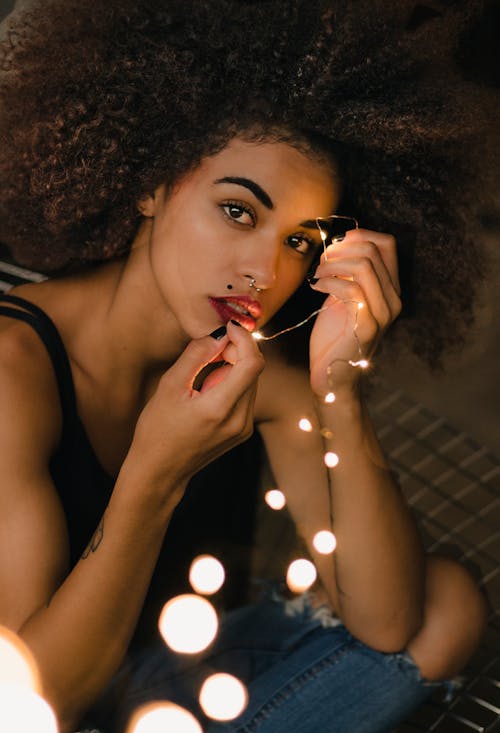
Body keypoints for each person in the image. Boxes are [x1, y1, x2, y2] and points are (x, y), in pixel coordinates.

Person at [0, 1, 496, 732]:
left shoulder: (265, 374)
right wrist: (155, 472)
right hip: (46, 689)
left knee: (449, 604)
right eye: (238, 211)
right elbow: (33, 703)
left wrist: (341, 392)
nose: (264, 271)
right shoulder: (15, 372)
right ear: (150, 183)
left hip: (155, 676)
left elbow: (388, 623)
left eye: (300, 242)